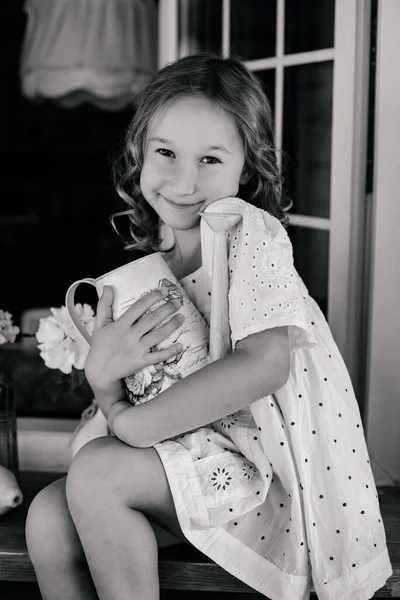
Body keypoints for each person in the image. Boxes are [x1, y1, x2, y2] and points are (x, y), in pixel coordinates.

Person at [25, 53, 393, 600]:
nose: (183, 181)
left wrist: (131, 424)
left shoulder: (246, 236)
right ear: (138, 151)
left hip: (263, 476)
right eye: (166, 152)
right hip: (185, 461)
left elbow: (266, 363)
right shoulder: (153, 265)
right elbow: (140, 388)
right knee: (47, 518)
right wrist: (106, 385)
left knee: (100, 472)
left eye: (211, 160)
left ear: (247, 168)